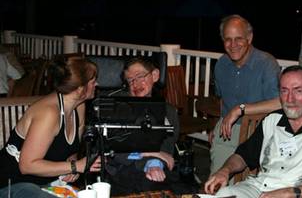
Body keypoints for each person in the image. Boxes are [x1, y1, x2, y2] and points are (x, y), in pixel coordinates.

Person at [204, 66, 302, 198]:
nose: (290, 99)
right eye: (284, 91)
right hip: (258, 188)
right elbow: (243, 155)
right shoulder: (271, 121)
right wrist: (225, 170)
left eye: (298, 91)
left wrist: (291, 193)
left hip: (299, 194)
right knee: (223, 195)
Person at [0, 57, 101, 197]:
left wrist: (71, 166)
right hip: (11, 183)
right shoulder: (49, 113)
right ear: (79, 88)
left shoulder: (79, 106)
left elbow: (71, 151)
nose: (97, 84)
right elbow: (27, 166)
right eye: (93, 81)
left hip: (46, 184)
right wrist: (75, 166)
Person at [210, 14, 282, 175]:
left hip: (259, 131)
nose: (233, 44)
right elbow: (221, 100)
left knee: (252, 186)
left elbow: (280, 102)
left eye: (239, 38)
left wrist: (240, 109)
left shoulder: (267, 63)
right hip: (228, 131)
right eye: (228, 39)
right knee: (216, 181)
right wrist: (216, 125)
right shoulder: (221, 64)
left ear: (249, 38)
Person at [104, 57, 180, 195]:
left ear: (155, 75)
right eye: (130, 80)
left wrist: (154, 163)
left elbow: (166, 148)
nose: (135, 84)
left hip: (153, 167)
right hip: (120, 167)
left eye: (140, 76)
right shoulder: (118, 107)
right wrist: (152, 153)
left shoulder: (169, 111)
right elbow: (115, 150)